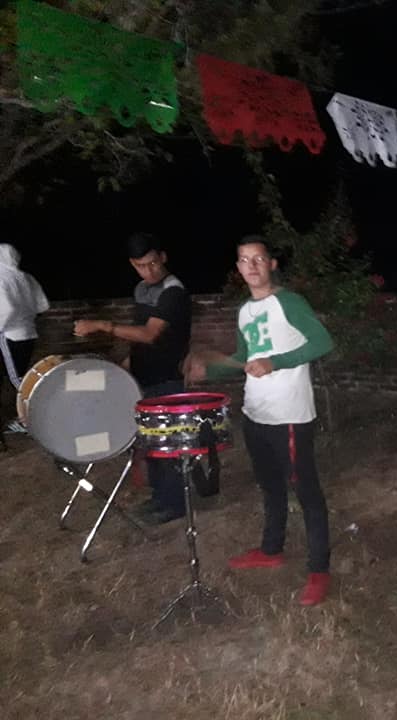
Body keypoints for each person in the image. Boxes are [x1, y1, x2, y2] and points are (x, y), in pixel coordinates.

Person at [184, 235, 335, 606]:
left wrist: (276, 362)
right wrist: (210, 371)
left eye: (258, 259)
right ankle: (271, 549)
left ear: (272, 263)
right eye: (244, 260)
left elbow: (322, 342)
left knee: (307, 492)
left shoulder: (290, 302)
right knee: (270, 487)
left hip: (289, 415)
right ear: (238, 268)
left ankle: (319, 570)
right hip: (256, 412)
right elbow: (244, 356)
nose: (251, 266)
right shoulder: (245, 311)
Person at [74, 233, 192, 524]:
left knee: (167, 443)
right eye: (141, 266)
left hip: (167, 378)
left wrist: (102, 325)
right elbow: (138, 337)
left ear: (163, 257)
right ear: (132, 264)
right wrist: (128, 364)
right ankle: (160, 497)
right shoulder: (142, 290)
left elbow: (150, 334)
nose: (148, 271)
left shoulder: (173, 292)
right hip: (145, 377)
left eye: (153, 263)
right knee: (150, 443)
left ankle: (175, 504)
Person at [0, 243, 50, 443]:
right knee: (20, 379)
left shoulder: (1, 276)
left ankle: (36, 419)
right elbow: (43, 305)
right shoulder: (27, 278)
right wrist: (24, 316)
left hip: (7, 336)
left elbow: (7, 308)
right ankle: (26, 418)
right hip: (28, 335)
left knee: (18, 383)